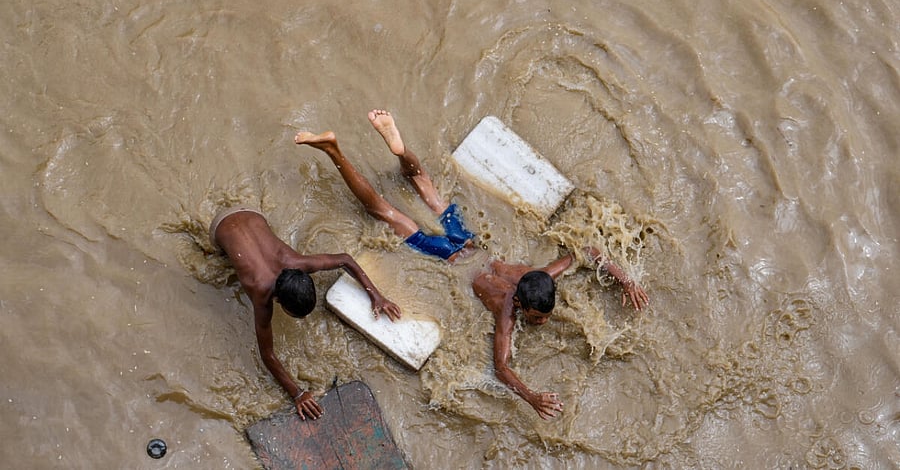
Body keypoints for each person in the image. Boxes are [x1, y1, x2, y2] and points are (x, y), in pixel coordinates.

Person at [209, 206, 401, 420]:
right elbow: (267, 354)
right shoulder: (261, 293)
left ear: (305, 275)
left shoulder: (298, 265)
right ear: (277, 301)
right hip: (220, 227)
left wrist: (376, 296)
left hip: (249, 213)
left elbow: (346, 259)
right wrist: (297, 393)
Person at [472, 248, 649, 420]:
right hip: (461, 264)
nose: (543, 322)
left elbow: (587, 251)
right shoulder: (506, 312)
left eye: (547, 316)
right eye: (536, 317)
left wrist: (625, 281)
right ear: (518, 303)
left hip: (477, 251)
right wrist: (532, 398)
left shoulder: (544, 277)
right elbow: (500, 368)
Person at [295, 109, 475, 262]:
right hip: (450, 257)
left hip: (468, 241)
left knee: (420, 178)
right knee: (381, 209)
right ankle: (331, 150)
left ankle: (402, 151)